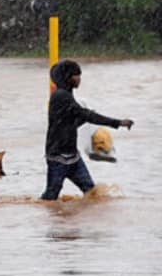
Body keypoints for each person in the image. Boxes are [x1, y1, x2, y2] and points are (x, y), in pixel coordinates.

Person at [41, 60, 133, 200]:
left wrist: (82, 118)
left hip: (73, 157)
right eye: (76, 75)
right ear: (67, 77)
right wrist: (118, 122)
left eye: (79, 75)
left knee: (91, 193)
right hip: (57, 158)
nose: (79, 79)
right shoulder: (61, 96)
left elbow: (68, 124)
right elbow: (86, 115)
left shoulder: (67, 95)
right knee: (50, 199)